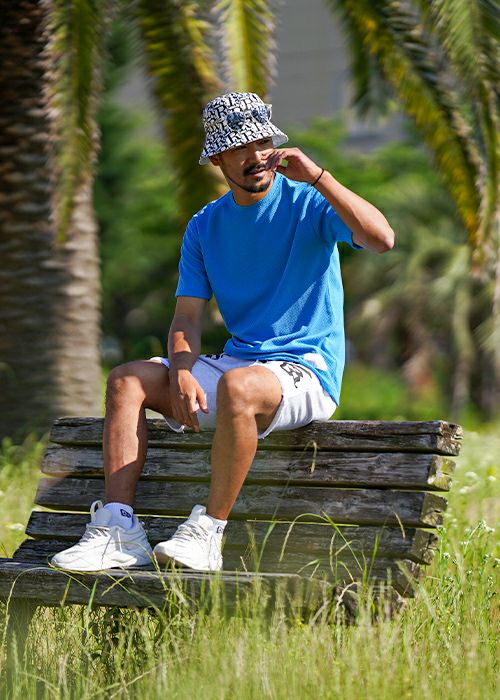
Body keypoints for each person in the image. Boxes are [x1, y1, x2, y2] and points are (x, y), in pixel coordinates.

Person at [51, 91, 394, 573]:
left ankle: (209, 532)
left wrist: (319, 176)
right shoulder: (205, 225)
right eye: (239, 148)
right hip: (242, 366)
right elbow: (187, 318)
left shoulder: (310, 202)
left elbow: (382, 239)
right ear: (217, 159)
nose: (255, 156)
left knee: (238, 385)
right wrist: (182, 371)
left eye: (261, 142)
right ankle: (118, 530)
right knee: (127, 379)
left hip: (307, 370)